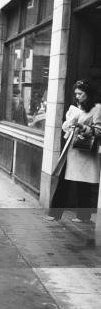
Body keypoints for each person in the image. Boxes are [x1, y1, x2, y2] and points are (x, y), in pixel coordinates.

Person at [45, 80, 101, 223]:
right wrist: (69, 124)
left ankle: (83, 216)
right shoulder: (76, 107)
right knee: (63, 182)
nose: (77, 96)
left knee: (84, 184)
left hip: (84, 151)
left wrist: (82, 128)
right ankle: (54, 214)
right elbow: (66, 127)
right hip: (71, 150)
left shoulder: (97, 108)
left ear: (88, 94)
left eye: (80, 94)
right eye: (76, 93)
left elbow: (98, 131)